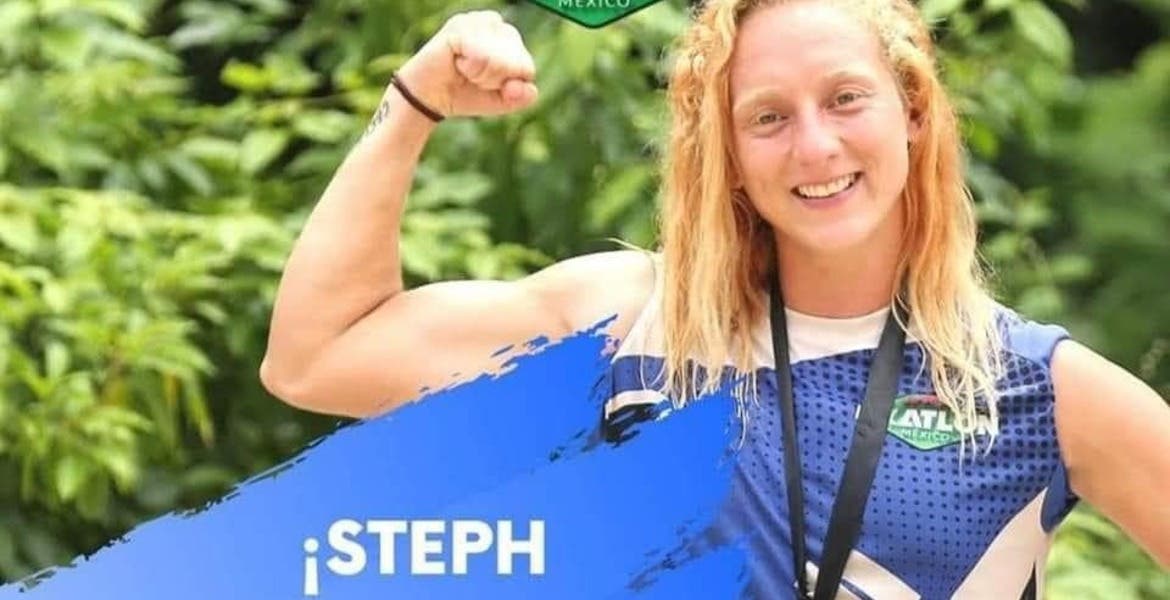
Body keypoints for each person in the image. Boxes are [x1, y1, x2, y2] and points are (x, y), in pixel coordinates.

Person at [260, 0, 1170, 597]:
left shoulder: (1030, 386)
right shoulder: (627, 327)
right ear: (726, 154)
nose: (815, 147)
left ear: (915, 114)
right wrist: (416, 99)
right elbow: (318, 356)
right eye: (768, 116)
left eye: (846, 99)